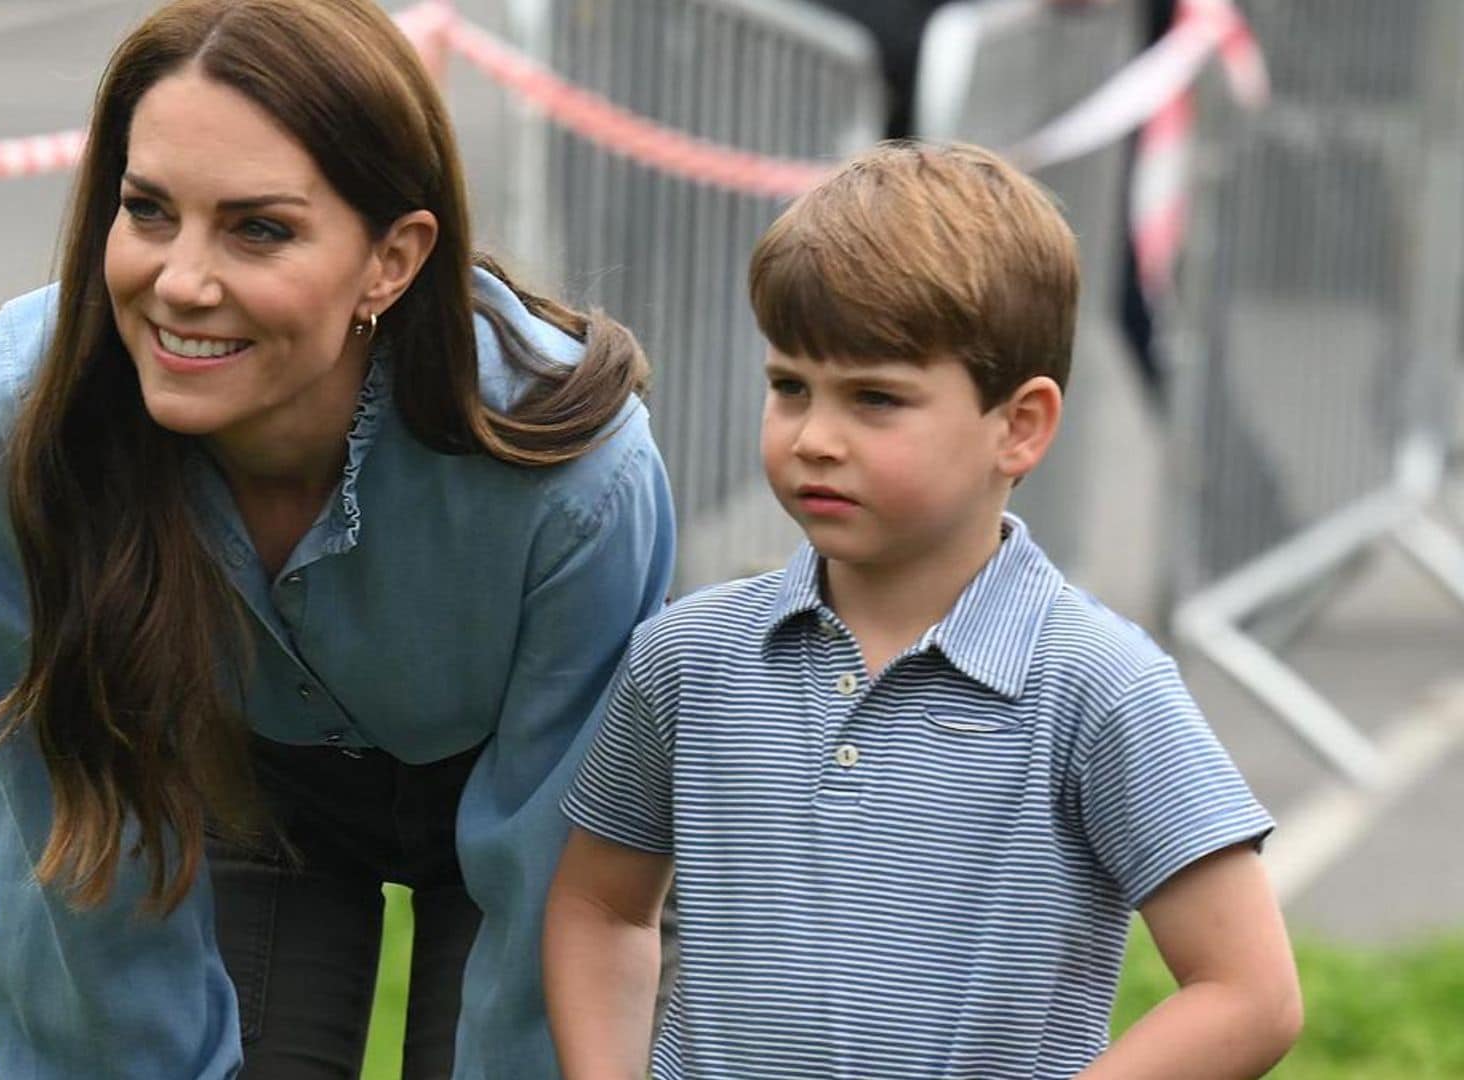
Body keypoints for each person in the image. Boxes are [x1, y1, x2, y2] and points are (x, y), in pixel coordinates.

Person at [0, 1, 675, 1076]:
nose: (182, 281)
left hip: (522, 812)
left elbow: (562, 897)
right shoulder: (16, 421)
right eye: (148, 210)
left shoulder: (574, 477)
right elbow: (89, 859)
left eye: (259, 228)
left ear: (391, 259)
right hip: (233, 789)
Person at [543, 142, 1302, 1079]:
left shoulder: (1098, 685)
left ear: (1019, 426)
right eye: (789, 387)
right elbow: (600, 907)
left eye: (876, 399)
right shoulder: (686, 658)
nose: (815, 437)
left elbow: (1249, 992)